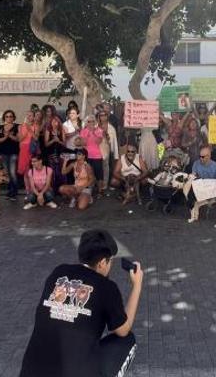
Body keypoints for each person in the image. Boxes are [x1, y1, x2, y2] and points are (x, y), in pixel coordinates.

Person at [19, 229, 141, 377]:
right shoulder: (106, 287)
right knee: (127, 340)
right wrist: (137, 285)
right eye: (110, 261)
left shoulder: (59, 272)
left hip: (30, 372)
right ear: (103, 262)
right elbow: (123, 330)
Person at [182, 145, 216, 225]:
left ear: (209, 156)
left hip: (211, 190)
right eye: (200, 156)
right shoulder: (196, 163)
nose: (200, 158)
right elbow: (193, 177)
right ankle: (193, 213)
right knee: (188, 190)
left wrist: (212, 196)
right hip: (199, 189)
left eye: (203, 157)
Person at [0, 110, 20, 200]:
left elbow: (18, 139)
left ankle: (14, 192)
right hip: (3, 152)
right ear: (4, 117)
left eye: (10, 116)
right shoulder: (1, 127)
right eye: (7, 116)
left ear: (13, 117)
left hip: (14, 152)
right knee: (7, 173)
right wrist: (6, 136)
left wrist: (9, 136)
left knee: (13, 172)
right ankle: (10, 191)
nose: (9, 118)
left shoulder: (17, 126)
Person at [80, 115, 105, 194]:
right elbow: (83, 143)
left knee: (99, 174)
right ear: (86, 123)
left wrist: (93, 132)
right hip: (87, 156)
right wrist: (87, 133)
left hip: (97, 155)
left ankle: (100, 190)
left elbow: (98, 141)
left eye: (92, 121)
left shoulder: (99, 130)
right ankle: (89, 190)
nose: (91, 123)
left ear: (95, 122)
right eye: (89, 121)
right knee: (88, 173)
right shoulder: (83, 131)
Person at [43, 115, 67, 194]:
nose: (54, 123)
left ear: (59, 122)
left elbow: (64, 144)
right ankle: (53, 190)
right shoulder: (48, 130)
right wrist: (53, 140)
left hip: (60, 153)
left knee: (61, 172)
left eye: (56, 121)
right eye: (53, 121)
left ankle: (62, 190)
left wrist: (58, 140)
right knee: (52, 172)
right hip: (51, 154)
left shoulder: (61, 130)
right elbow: (46, 144)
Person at [97, 111, 118, 196]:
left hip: (106, 148)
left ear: (107, 116)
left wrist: (115, 153)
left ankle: (104, 185)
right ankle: (98, 185)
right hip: (96, 149)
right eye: (101, 115)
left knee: (105, 167)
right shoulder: (95, 126)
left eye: (104, 115)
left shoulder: (111, 128)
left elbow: (114, 141)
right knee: (97, 167)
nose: (103, 117)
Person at [17, 112, 40, 178]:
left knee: (33, 166)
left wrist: (29, 129)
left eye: (30, 115)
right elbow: (20, 139)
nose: (28, 117)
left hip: (32, 147)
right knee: (25, 168)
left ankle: (34, 184)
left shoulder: (36, 126)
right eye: (27, 115)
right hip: (24, 148)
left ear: (33, 117)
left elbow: (36, 138)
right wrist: (26, 130)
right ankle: (27, 187)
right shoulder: (21, 126)